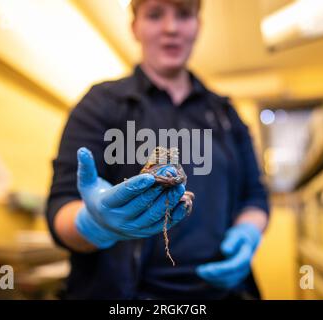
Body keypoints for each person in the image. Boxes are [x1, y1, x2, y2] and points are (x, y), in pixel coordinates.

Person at [46, 0, 269, 299]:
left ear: (198, 26)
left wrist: (248, 233)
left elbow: (254, 196)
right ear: (134, 27)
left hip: (222, 292)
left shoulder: (226, 116)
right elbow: (61, 207)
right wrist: (93, 223)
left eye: (184, 15)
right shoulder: (101, 104)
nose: (171, 28)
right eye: (154, 15)